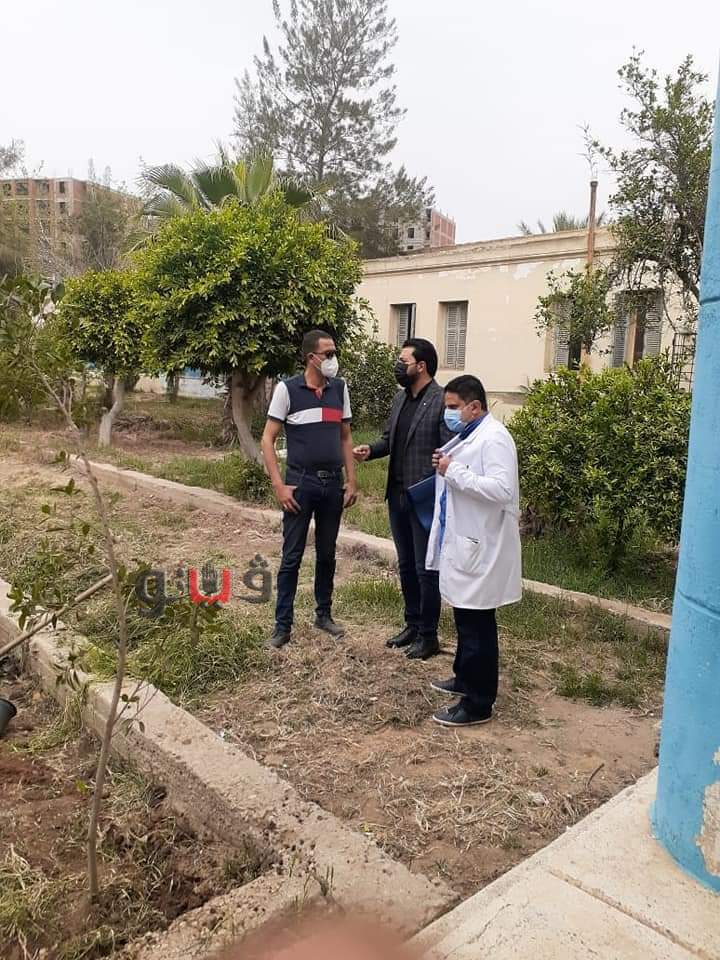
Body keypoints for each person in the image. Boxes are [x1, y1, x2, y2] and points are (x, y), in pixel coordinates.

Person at [425, 375, 522, 727]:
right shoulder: (470, 434)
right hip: (467, 542)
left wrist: (454, 470)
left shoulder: (495, 438)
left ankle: (479, 704)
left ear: (475, 407)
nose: (448, 414)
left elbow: (502, 490)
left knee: (477, 625)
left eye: (453, 407)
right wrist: (447, 464)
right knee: (465, 619)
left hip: (483, 546)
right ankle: (464, 678)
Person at [353, 339, 452, 660]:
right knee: (406, 565)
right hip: (396, 495)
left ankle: (428, 635)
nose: (398, 365)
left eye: (403, 360)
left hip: (423, 497)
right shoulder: (400, 399)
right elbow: (389, 439)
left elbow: (449, 450)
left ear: (421, 366)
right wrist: (371, 450)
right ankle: (412, 623)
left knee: (426, 568)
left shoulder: (440, 401)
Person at [261, 330, 358, 649]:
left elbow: (345, 437)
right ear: (311, 358)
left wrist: (351, 480)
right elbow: (268, 439)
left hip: (332, 484)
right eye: (328, 354)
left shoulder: (339, 389)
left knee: (327, 554)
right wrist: (279, 485)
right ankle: (282, 625)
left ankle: (323, 614)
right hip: (300, 484)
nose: (333, 359)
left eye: (334, 352)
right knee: (292, 556)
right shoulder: (287, 390)